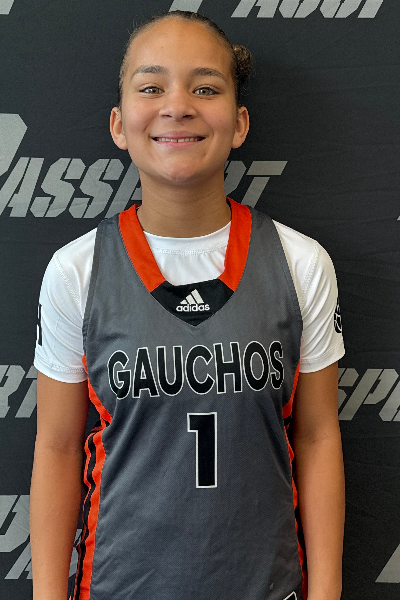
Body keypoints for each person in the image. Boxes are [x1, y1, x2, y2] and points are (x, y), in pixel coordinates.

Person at [30, 10, 345, 600]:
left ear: (240, 122)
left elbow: (318, 438)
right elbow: (58, 447)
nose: (177, 106)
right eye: (152, 87)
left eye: (205, 88)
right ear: (119, 124)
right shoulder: (77, 271)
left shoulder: (300, 263)